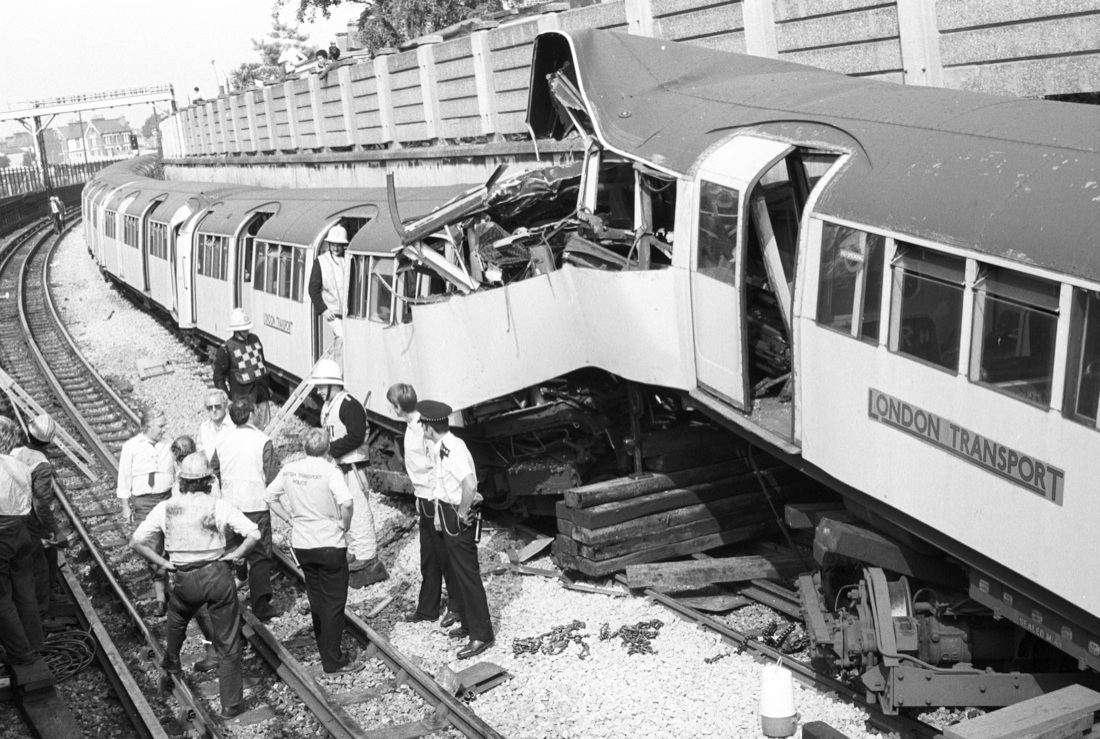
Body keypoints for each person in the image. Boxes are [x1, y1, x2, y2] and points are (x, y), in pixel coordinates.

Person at [130, 452, 260, 719]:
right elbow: (254, 533)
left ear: (182, 482)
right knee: (227, 641)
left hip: (184, 576)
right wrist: (236, 555)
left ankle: (173, 660)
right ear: (208, 481)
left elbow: (136, 541)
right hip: (217, 575)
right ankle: (230, 705)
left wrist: (163, 564)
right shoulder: (219, 505)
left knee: (177, 615)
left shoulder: (167, 507)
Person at [265, 429, 363, 674]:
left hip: (303, 543)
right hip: (329, 542)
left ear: (304, 447)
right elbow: (347, 502)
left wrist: (289, 519)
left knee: (318, 600)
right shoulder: (330, 471)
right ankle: (333, 660)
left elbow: (269, 496)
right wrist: (345, 523)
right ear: (327, 448)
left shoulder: (289, 470)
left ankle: (326, 651)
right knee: (334, 602)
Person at [417, 400, 493, 660]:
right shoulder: (443, 446)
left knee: (468, 575)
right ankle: (469, 624)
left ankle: (481, 634)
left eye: (423, 426)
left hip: (457, 515)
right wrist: (441, 514)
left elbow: (470, 485)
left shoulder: (452, 448)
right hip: (447, 513)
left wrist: (461, 514)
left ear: (429, 428)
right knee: (457, 572)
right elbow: (442, 483)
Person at [387, 383, 461, 627]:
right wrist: (420, 498)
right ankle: (428, 608)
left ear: (398, 407)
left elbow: (436, 467)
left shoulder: (422, 429)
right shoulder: (411, 426)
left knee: (444, 556)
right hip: (425, 498)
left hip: (435, 498)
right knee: (428, 557)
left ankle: (456, 607)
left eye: (392, 404)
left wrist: (436, 504)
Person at [312, 360, 386, 584]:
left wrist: (330, 450)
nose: (317, 390)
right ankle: (354, 550)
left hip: (353, 467)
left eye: (320, 386)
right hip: (339, 465)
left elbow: (355, 436)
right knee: (345, 512)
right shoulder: (330, 404)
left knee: (360, 512)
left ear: (331, 384)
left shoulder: (349, 405)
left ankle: (366, 556)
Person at [210, 399, 279, 621]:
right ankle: (261, 607)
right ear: (250, 414)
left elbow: (214, 469)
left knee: (230, 552)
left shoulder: (222, 439)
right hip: (256, 506)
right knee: (259, 558)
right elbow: (272, 476)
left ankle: (224, 602)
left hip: (230, 505)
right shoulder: (263, 440)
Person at [10, 415, 68, 622]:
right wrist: (56, 530)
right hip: (26, 519)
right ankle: (39, 614)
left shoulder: (13, 452)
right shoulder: (42, 464)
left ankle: (43, 599)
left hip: (11, 513)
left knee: (49, 551)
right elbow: (41, 504)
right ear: (50, 441)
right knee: (38, 566)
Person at [117, 408, 174, 616]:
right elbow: (124, 476)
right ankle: (160, 597)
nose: (163, 429)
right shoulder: (131, 446)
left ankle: (171, 589)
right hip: (144, 502)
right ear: (147, 425)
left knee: (171, 544)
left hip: (167, 499)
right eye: (160, 426)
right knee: (151, 547)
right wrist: (125, 505)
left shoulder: (169, 444)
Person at [0, 417, 44, 667]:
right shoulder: (19, 466)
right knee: (24, 590)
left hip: (3, 535)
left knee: (2, 597)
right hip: (22, 532)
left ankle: (20, 652)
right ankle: (34, 644)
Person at [212, 309, 272, 431]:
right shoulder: (226, 348)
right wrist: (226, 397)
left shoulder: (255, 339)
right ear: (236, 330)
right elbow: (218, 377)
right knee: (246, 430)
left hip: (261, 394)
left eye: (247, 329)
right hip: (242, 399)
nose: (246, 332)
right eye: (244, 329)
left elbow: (262, 364)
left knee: (265, 429)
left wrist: (268, 386)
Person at [308, 225, 350, 345]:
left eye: (339, 245)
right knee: (341, 338)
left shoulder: (349, 259)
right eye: (333, 244)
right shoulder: (321, 261)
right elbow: (312, 289)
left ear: (343, 245)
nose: (335, 248)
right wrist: (323, 309)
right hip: (333, 313)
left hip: (348, 313)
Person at [197, 389, 231, 460]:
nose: (214, 410)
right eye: (210, 407)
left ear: (225, 405)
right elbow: (199, 445)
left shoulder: (233, 426)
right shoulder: (204, 427)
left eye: (217, 406)